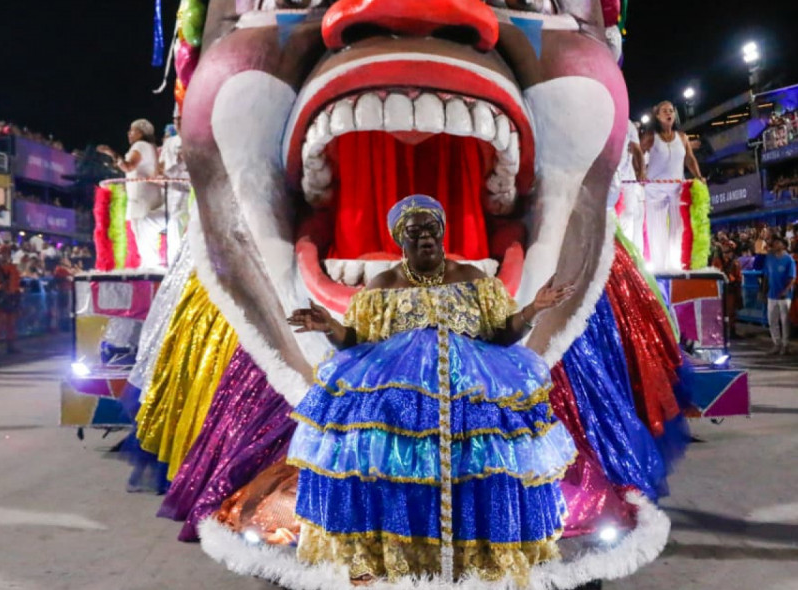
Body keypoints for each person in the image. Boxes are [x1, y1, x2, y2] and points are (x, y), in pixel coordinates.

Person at [284, 195, 576, 584]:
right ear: (400, 241)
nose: (425, 238)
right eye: (414, 232)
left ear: (442, 233)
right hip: (399, 396)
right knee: (383, 460)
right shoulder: (383, 286)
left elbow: (503, 333)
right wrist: (329, 327)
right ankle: (401, 558)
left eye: (431, 230)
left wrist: (534, 309)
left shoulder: (473, 279)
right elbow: (357, 340)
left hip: (472, 389)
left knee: (485, 461)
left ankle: (477, 557)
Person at [640, 101, 703, 272]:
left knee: (678, 228)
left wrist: (698, 176)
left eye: (671, 110)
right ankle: (659, 268)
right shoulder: (651, 136)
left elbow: (690, 159)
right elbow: (638, 154)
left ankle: (676, 267)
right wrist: (640, 173)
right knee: (657, 230)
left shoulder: (682, 137)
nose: (669, 113)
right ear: (658, 116)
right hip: (654, 190)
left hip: (677, 188)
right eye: (664, 111)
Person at [99, 119, 165, 269]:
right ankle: (150, 263)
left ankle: (151, 265)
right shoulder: (149, 147)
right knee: (141, 230)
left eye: (132, 130)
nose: (129, 133)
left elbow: (128, 167)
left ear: (141, 133)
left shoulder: (140, 145)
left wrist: (111, 152)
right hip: (145, 193)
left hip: (142, 195)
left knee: (142, 229)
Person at [158, 111, 189, 266]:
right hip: (171, 191)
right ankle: (174, 264)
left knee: (181, 223)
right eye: (175, 120)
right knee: (172, 226)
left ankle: (182, 264)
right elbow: (162, 167)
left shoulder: (194, 139)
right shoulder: (169, 142)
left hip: (190, 192)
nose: (177, 122)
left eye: (180, 119)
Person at [761, 236, 796, 355]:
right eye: (774, 242)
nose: (775, 245)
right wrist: (763, 290)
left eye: (778, 242)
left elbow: (792, 278)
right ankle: (776, 343)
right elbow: (766, 275)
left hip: (784, 296)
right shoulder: (769, 258)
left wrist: (786, 290)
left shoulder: (789, 260)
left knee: (785, 321)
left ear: (784, 245)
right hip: (772, 294)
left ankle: (785, 344)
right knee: (772, 320)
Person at [615, 122, 646, 254]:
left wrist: (642, 172)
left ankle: (627, 256)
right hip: (607, 178)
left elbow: (637, 150)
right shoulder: (599, 117)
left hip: (627, 180)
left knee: (628, 215)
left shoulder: (627, 124)